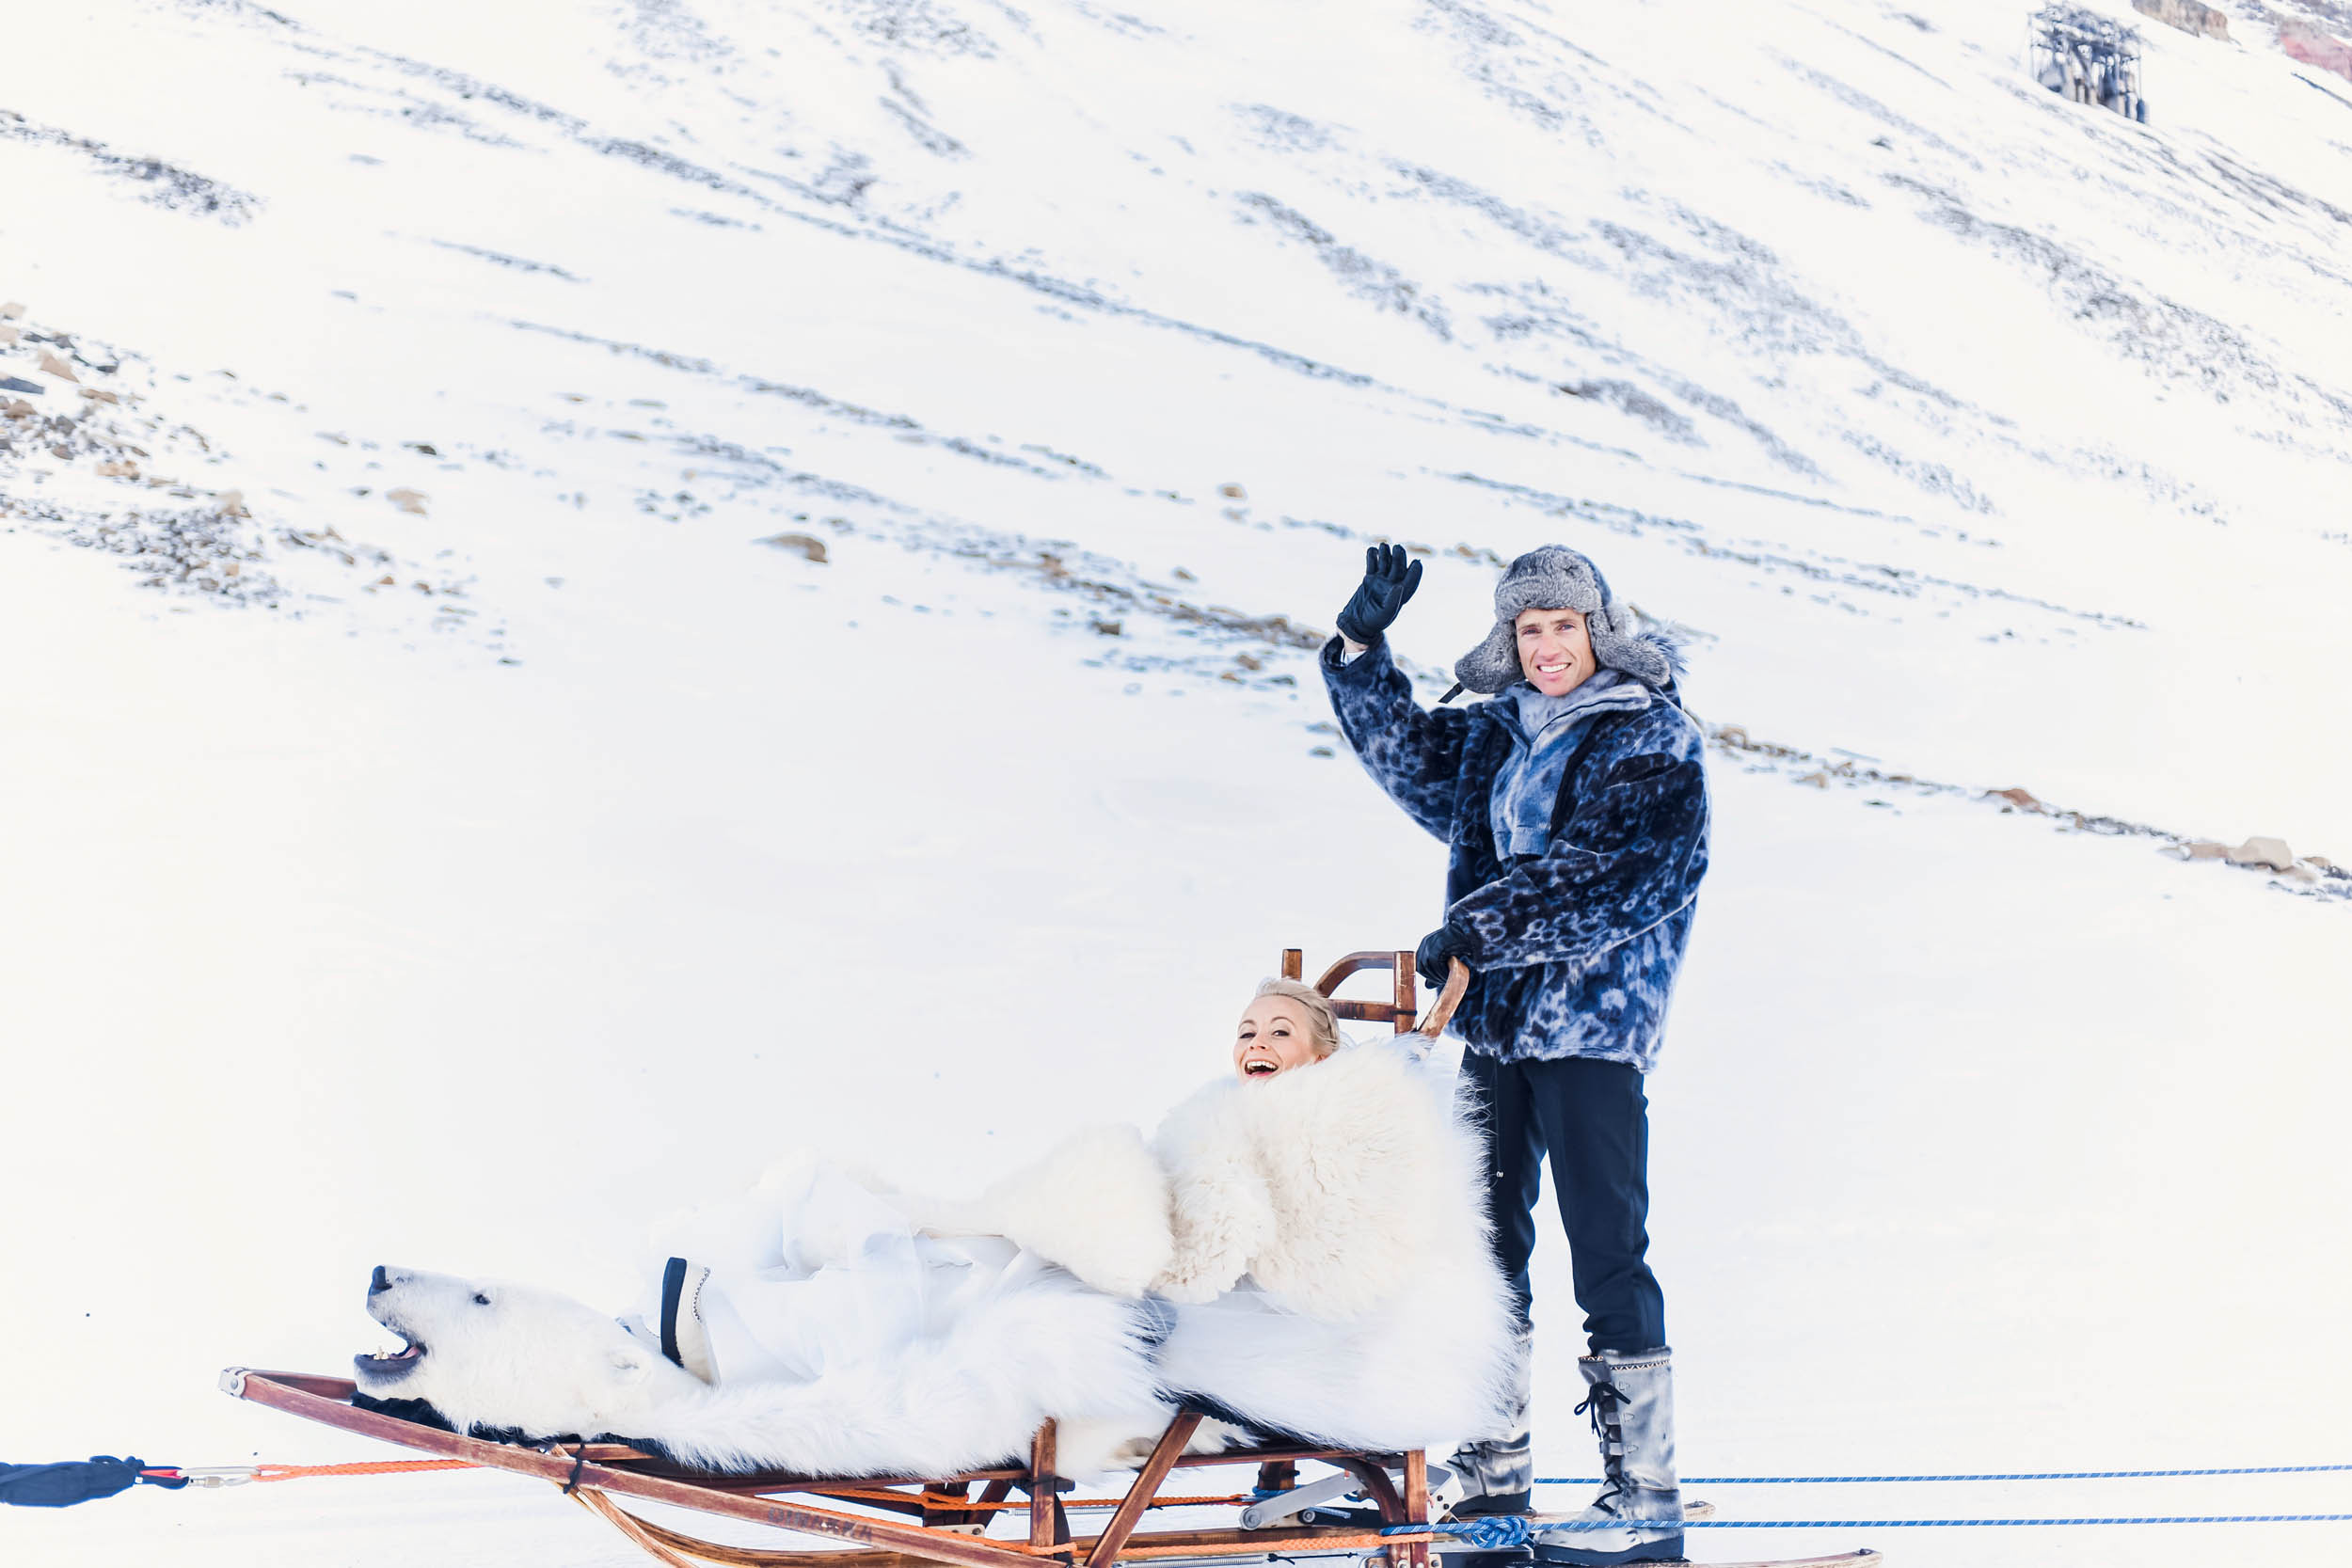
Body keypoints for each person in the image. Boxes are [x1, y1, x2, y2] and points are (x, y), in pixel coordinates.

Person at [1321, 543, 1709, 1567]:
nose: (1545, 647)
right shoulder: (1498, 733)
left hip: (1592, 1028)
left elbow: (1618, 875)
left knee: (1606, 1248)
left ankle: (1643, 1495)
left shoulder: (1653, 737)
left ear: (1597, 632)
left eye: (1562, 626)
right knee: (1483, 1248)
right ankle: (1493, 1473)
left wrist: (1480, 926)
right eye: (1528, 630)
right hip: (1493, 1025)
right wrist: (1361, 650)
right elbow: (1410, 757)